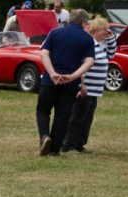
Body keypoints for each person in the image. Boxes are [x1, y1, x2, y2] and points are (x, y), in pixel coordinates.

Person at [36, 8, 94, 156]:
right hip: (70, 83)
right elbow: (89, 61)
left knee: (43, 110)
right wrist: (73, 76)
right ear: (83, 22)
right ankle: (55, 150)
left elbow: (44, 53)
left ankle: (44, 137)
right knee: (62, 116)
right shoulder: (87, 38)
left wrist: (52, 73)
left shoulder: (55, 32)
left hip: (50, 81)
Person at [61, 16, 116, 153]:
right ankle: (68, 144)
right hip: (86, 88)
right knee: (78, 117)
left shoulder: (101, 45)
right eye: (104, 30)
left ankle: (80, 143)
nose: (106, 32)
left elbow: (112, 54)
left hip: (95, 89)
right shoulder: (89, 44)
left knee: (87, 118)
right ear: (96, 30)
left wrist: (111, 38)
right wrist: (82, 85)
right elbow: (81, 65)